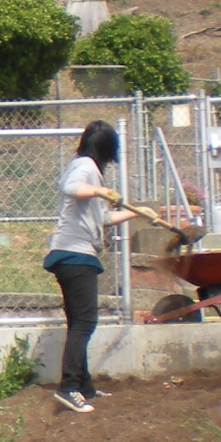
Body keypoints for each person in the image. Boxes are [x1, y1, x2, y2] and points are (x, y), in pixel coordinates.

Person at [42, 120, 148, 413]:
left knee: (80, 322)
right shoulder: (85, 166)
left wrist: (136, 213)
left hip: (75, 254)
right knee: (85, 323)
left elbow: (102, 219)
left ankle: (84, 386)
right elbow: (70, 188)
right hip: (74, 254)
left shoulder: (91, 172)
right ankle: (69, 387)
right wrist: (101, 191)